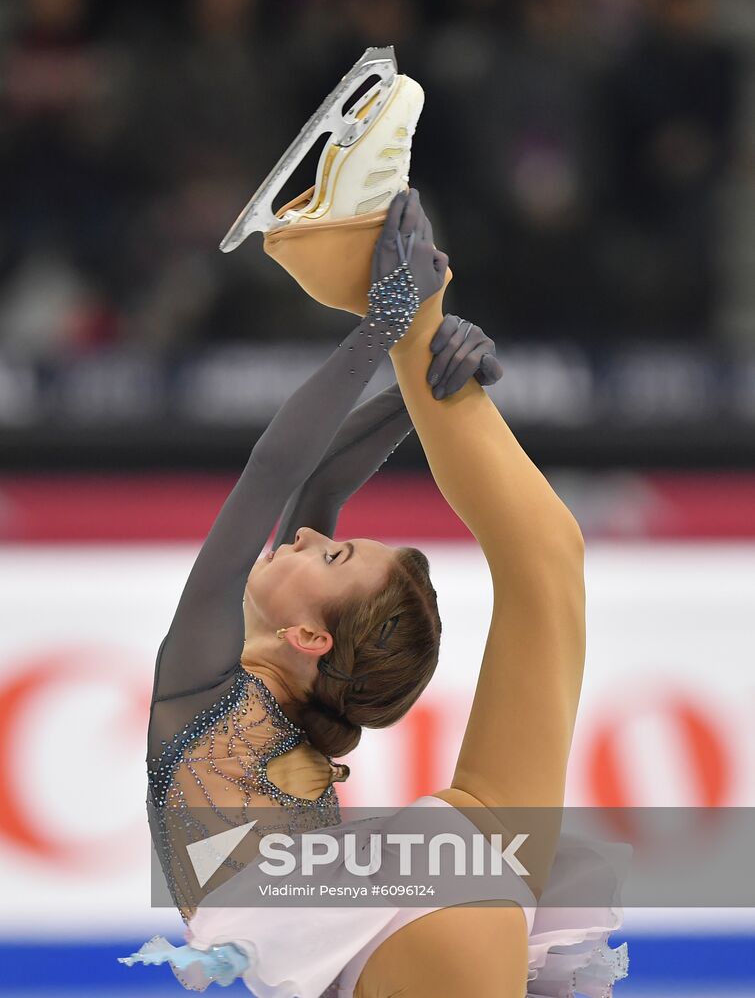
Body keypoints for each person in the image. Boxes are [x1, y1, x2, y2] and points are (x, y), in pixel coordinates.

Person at [120, 188, 630, 996]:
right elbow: (308, 474)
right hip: (432, 888)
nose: (307, 535)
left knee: (547, 565)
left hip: (373, 923)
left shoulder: (200, 688)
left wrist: (391, 333)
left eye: (328, 553)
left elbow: (278, 473)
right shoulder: (257, 695)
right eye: (333, 546)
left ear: (311, 638)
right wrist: (413, 365)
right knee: (545, 567)